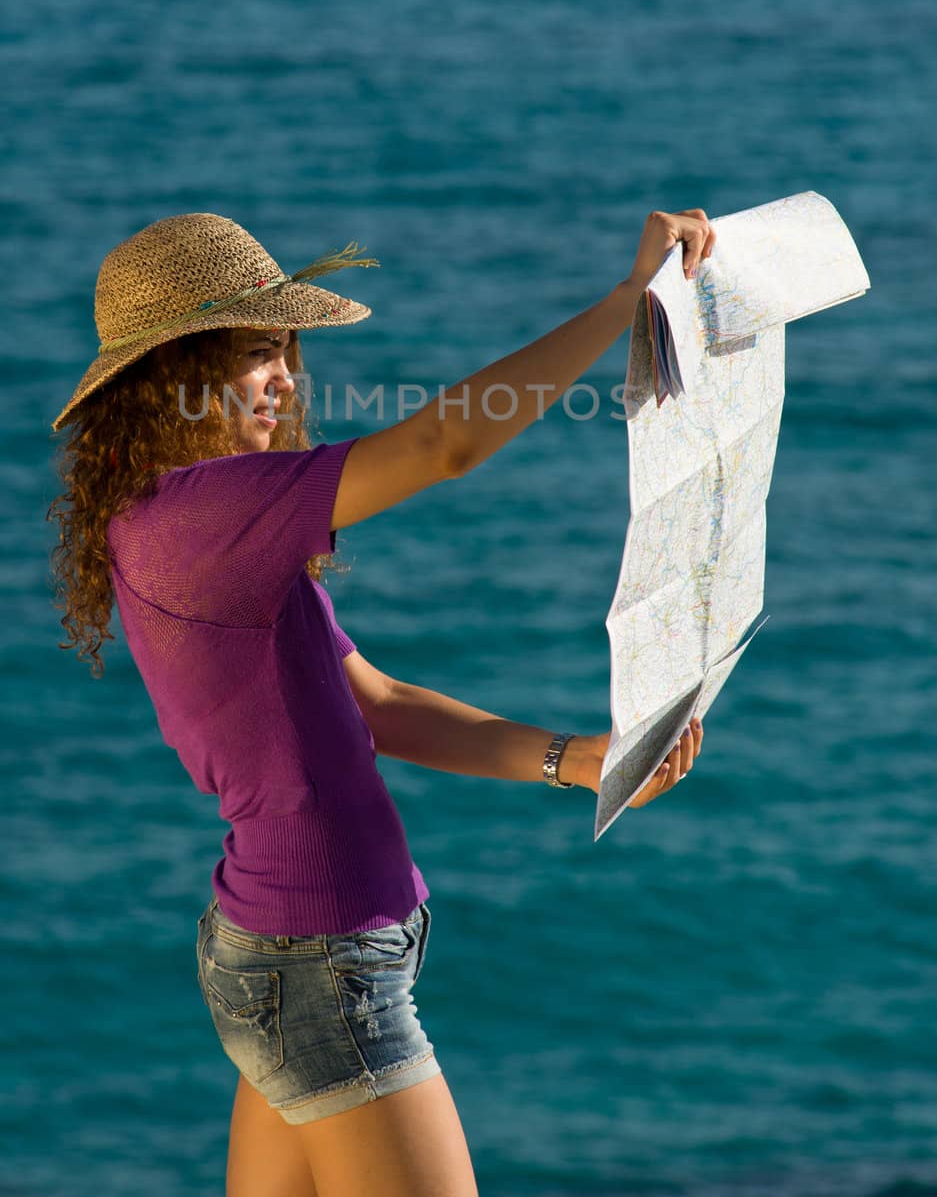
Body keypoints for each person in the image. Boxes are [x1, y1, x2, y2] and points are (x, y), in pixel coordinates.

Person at [47, 206, 716, 1197]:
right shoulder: (201, 518)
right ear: (171, 376)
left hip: (285, 960)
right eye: (252, 355)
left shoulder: (180, 519)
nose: (283, 378)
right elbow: (443, 444)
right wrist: (624, 305)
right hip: (319, 970)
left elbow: (378, 703)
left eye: (285, 350)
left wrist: (574, 758)